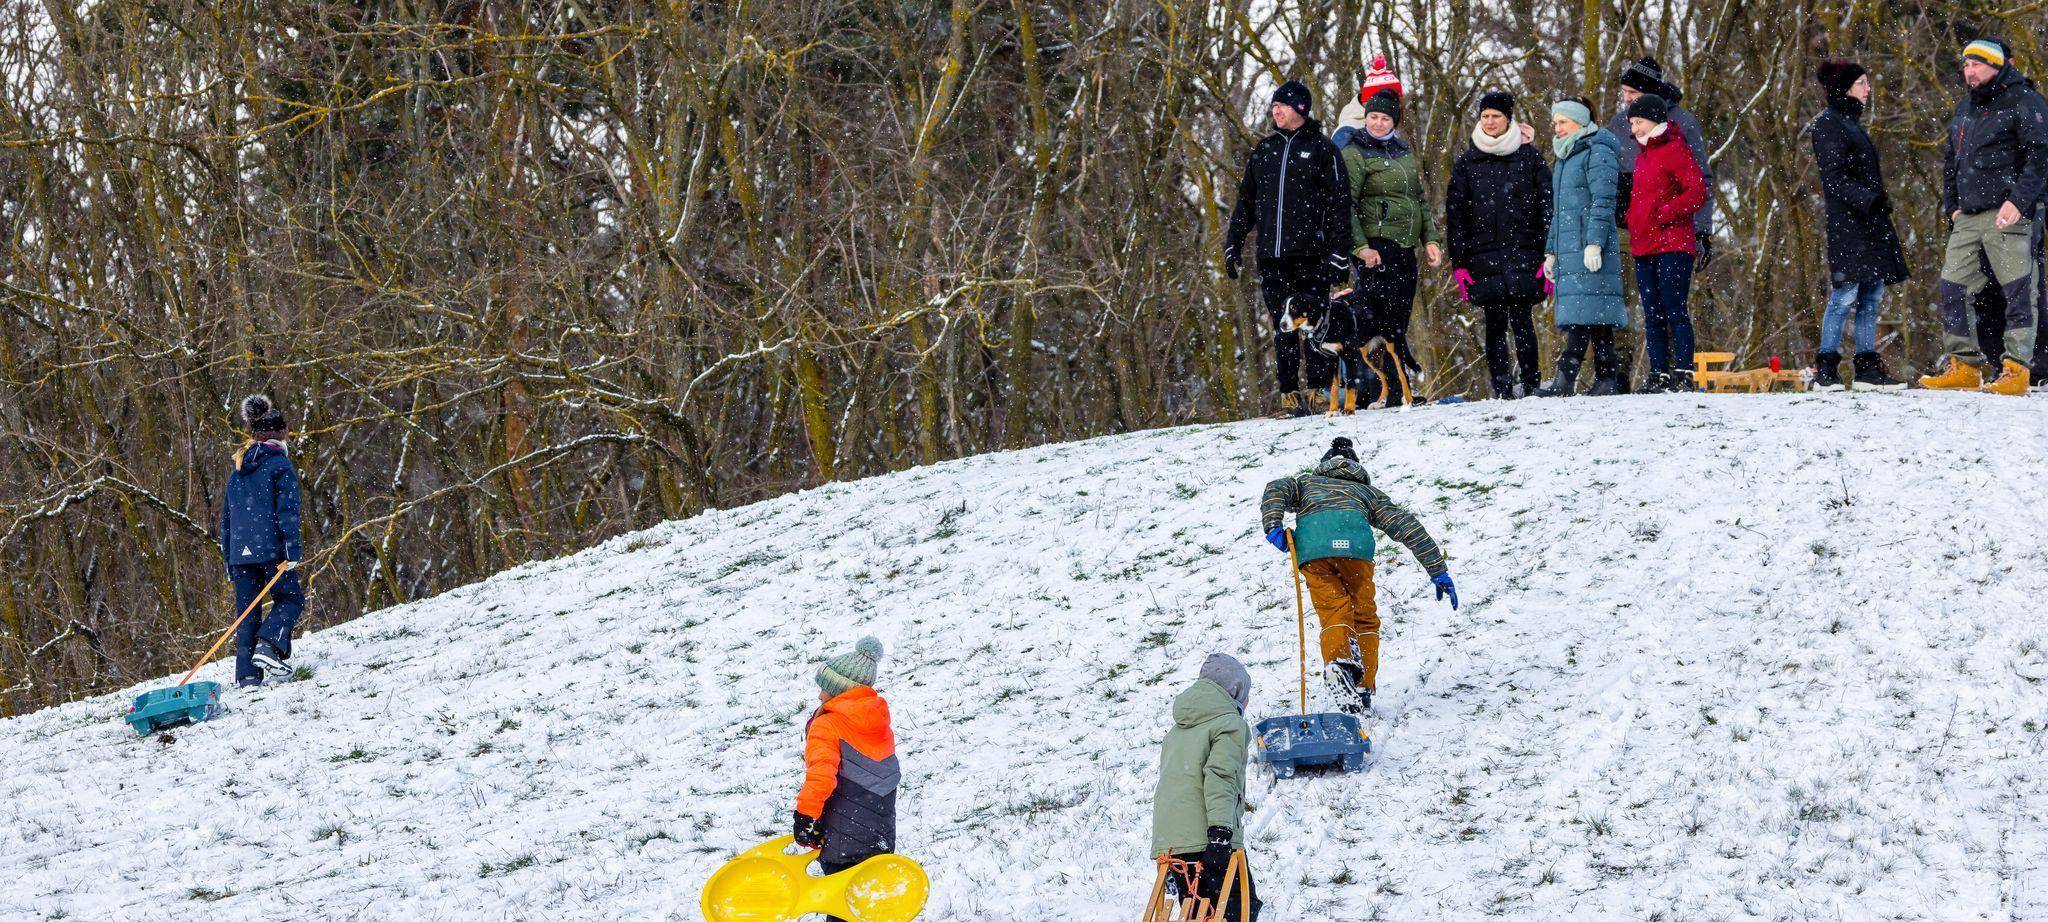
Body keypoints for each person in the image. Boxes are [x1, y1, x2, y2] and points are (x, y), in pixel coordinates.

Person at [1259, 437, 1455, 714]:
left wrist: (1272, 524)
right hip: (1356, 552)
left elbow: (1276, 487)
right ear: (1357, 466)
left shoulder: (1306, 483)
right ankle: (1363, 686)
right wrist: (1438, 570)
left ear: (1324, 464)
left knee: (1333, 610)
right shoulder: (1367, 493)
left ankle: (1339, 663)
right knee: (1364, 617)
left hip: (1314, 549)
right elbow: (1406, 525)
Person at [1920, 38, 2048, 395]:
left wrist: (2020, 202)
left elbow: (2040, 158)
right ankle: (1963, 365)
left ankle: (2017, 369)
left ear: (1995, 65)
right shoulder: (1964, 107)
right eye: (1965, 65)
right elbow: (1951, 160)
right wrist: (1952, 206)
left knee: (2019, 291)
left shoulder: (2026, 101)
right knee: (1952, 286)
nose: (1969, 71)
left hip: (2008, 213)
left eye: (1976, 64)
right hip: (1967, 215)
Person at [1226, 80, 1354, 418]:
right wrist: (1232, 245)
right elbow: (1246, 204)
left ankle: (1318, 392)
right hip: (1272, 258)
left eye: (1281, 105)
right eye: (1273, 106)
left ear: (1299, 109)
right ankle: (1288, 395)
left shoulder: (1324, 150)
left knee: (1316, 326)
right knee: (1281, 325)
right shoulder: (1264, 152)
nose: (1275, 110)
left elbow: (1341, 205)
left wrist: (1341, 253)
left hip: (1314, 256)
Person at [1807, 60, 1910, 390]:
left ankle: (1867, 369)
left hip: (1871, 224)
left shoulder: (1852, 123)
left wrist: (1877, 202)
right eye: (1863, 83)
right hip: (1849, 225)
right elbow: (1833, 178)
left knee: (1872, 293)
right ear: (1846, 88)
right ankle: (1826, 369)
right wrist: (1870, 199)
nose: (1869, 89)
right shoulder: (1828, 124)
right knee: (1844, 294)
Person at [1339, 88, 1444, 405]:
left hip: (1404, 248)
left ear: (1394, 122)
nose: (1379, 123)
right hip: (1375, 248)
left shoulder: (1403, 149)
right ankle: (1374, 390)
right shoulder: (1354, 150)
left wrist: (1430, 238)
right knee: (1373, 323)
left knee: (1398, 320)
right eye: (1373, 116)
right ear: (1365, 118)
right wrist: (1360, 248)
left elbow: (1418, 199)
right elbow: (1346, 205)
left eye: (1385, 118)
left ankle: (1400, 389)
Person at [1446, 90, 1552, 399]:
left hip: (1524, 253)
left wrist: (1548, 254)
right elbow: (1456, 215)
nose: (1490, 122)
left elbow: (1547, 206)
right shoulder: (1467, 162)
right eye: (1485, 116)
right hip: (1482, 257)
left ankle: (1532, 384)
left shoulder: (1529, 157)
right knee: (1494, 324)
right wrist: (1460, 263)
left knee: (1523, 321)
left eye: (1496, 116)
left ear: (1509, 119)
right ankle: (1502, 386)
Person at [793, 636, 899, 922]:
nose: (819, 696)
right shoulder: (879, 724)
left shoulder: (828, 724)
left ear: (839, 691)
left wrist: (805, 816)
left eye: (824, 689)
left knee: (842, 909)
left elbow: (821, 775)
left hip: (843, 836)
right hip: (879, 833)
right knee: (867, 907)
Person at [1151, 653, 1261, 921]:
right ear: (1234, 691)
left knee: (1198, 910)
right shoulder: (1229, 724)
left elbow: (1172, 784)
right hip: (1208, 838)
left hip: (1173, 844)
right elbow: (1220, 776)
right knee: (1239, 907)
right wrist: (1221, 832)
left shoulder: (1178, 730)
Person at [1539, 98, 1628, 397]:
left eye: (1563, 121)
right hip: (1568, 245)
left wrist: (1594, 243)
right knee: (1594, 313)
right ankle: (1607, 377)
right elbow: (1559, 210)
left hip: (1589, 244)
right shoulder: (1565, 156)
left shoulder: (1597, 150)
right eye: (1556, 123)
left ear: (1580, 120)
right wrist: (1551, 251)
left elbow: (1603, 201)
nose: (1558, 127)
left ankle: (1567, 377)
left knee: (1584, 311)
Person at [1622, 93, 1708, 392]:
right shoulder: (1642, 154)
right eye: (1632, 123)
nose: (1635, 128)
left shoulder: (1675, 148)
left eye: (1640, 122)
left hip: (1673, 244)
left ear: (1656, 120)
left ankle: (1683, 373)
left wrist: (1665, 213)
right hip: (1644, 245)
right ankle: (1658, 374)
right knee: (1652, 314)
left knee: (1675, 310)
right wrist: (1633, 217)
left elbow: (1697, 191)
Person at [220, 395, 306, 688]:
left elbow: (227, 521)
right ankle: (268, 645)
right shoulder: (280, 465)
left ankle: (247, 677)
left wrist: (228, 559)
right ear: (281, 434)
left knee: (247, 613)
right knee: (291, 598)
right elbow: (288, 511)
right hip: (271, 550)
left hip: (239, 555)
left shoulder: (237, 470)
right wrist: (292, 548)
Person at [1609, 58, 1715, 262]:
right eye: (1624, 91)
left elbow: (1702, 182)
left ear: (1651, 93)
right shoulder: (1619, 123)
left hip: (1669, 233)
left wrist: (1702, 231)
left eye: (1633, 93)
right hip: (1624, 229)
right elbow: (1604, 173)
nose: (1626, 98)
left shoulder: (1683, 123)